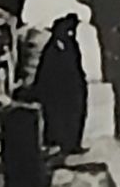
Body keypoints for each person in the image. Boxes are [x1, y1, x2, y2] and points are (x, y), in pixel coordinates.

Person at [31, 13, 89, 157]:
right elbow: (47, 72)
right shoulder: (53, 48)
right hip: (58, 90)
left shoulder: (71, 44)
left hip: (72, 89)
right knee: (58, 118)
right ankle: (60, 144)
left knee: (74, 116)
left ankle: (72, 144)